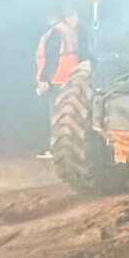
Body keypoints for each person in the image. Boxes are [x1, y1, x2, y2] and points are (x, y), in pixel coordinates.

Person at [33, 8, 83, 156]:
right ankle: (69, 149)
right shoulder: (70, 31)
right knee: (69, 116)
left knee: (56, 117)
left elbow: (52, 58)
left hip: (56, 80)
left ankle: (56, 149)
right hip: (71, 79)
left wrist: (43, 79)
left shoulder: (56, 32)